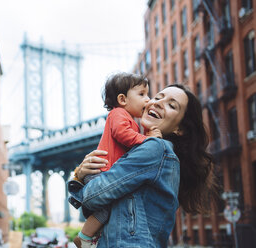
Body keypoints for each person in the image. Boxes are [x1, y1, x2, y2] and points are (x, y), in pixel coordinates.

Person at [68, 84, 218, 248]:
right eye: (158, 97)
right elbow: (102, 208)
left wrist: (79, 178)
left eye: (171, 105)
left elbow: (93, 198)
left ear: (179, 128)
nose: (159, 103)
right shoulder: (156, 156)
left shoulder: (156, 148)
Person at [71, 73, 162, 248]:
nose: (148, 99)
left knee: (109, 210)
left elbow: (133, 146)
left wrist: (146, 134)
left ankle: (90, 236)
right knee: (107, 208)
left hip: (106, 173)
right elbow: (123, 134)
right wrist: (148, 140)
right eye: (142, 94)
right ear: (122, 99)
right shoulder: (118, 114)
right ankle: (84, 237)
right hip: (101, 172)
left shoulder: (130, 121)